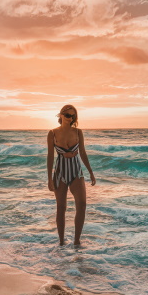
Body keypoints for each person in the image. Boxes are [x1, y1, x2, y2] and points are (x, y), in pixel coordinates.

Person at [47, 104, 96, 246]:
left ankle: (76, 242)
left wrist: (91, 172)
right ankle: (61, 243)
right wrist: (50, 179)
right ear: (61, 115)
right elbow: (50, 157)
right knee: (61, 207)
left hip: (76, 172)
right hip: (60, 173)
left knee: (82, 204)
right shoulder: (53, 133)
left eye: (73, 116)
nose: (70, 118)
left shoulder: (78, 132)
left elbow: (83, 153)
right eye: (68, 115)